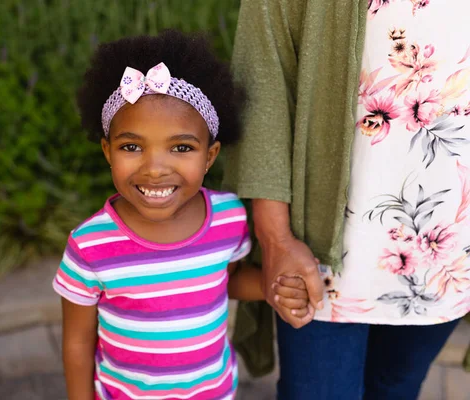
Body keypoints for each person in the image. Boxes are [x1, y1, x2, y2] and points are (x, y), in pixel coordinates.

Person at [224, 0, 470, 399]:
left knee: (396, 387)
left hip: (450, 245)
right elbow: (264, 72)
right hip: (321, 247)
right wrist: (276, 239)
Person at [51, 29, 309, 400]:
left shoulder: (228, 218)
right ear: (107, 151)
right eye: (132, 146)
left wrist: (271, 287)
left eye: (181, 147)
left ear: (210, 155)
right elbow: (77, 342)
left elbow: (224, 283)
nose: (155, 168)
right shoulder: (89, 246)